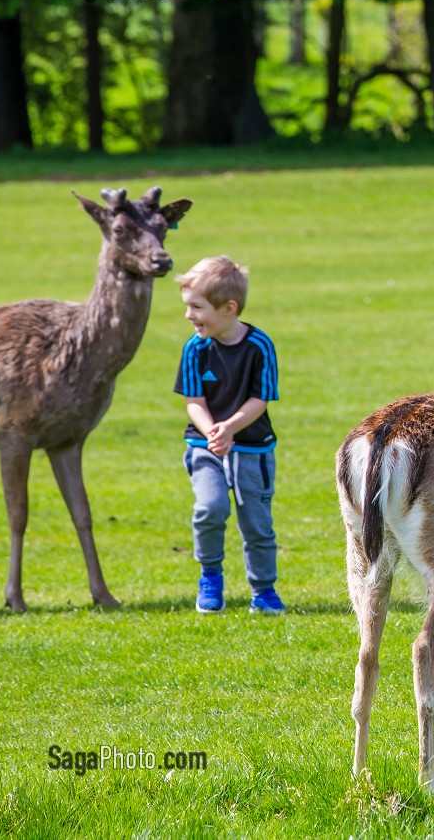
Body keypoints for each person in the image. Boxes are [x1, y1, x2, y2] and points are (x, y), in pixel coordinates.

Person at [174, 256, 285, 614]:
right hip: (205, 446)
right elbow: (194, 401)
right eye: (187, 306)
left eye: (197, 307)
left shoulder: (259, 346)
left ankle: (264, 592)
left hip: (252, 448)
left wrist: (231, 427)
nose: (189, 315)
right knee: (210, 508)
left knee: (257, 524)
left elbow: (261, 399)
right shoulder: (195, 348)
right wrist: (213, 433)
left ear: (229, 308)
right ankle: (210, 577)